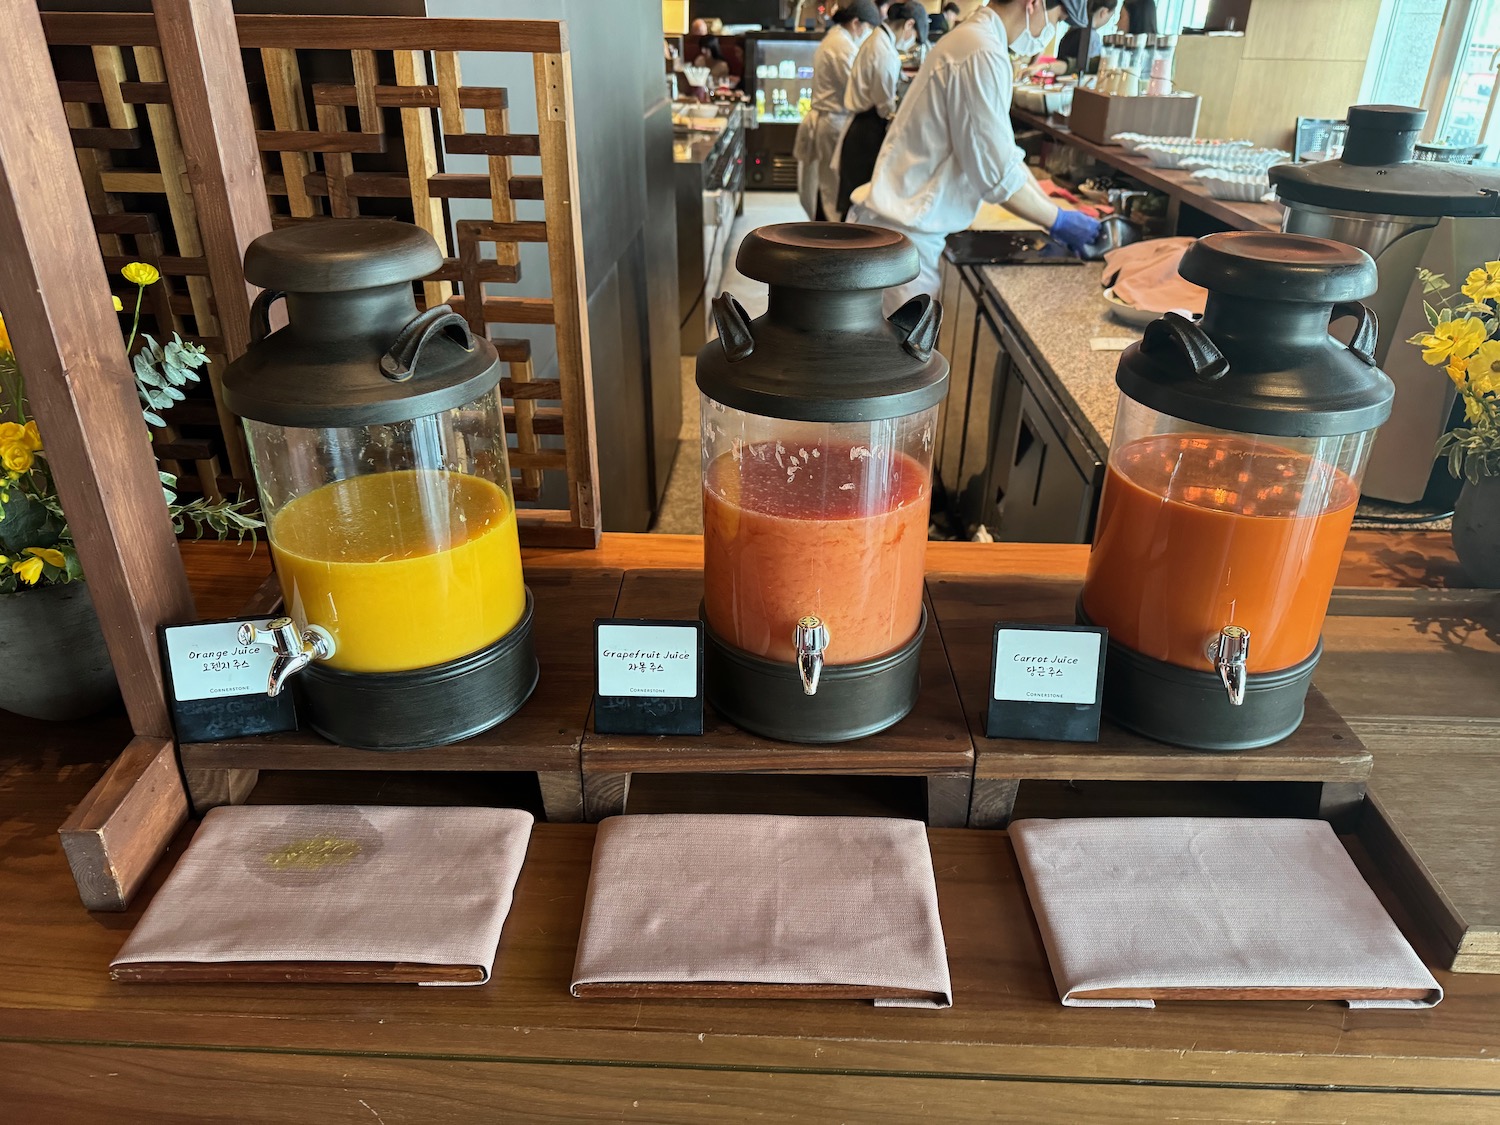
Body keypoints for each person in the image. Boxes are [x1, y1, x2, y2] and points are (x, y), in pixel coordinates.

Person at [846, 0, 1102, 312]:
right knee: (896, 357)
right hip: (906, 236)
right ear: (1032, 4)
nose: (1050, 29)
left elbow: (1004, 155)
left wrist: (1049, 210)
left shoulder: (977, 39)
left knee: (900, 353)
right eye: (1057, 18)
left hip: (906, 230)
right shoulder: (980, 50)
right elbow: (997, 176)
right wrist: (1058, 220)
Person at [836, 2, 927, 218]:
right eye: (915, 36)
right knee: (859, 202)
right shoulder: (883, 51)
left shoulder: (879, 39)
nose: (912, 41)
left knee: (853, 201)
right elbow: (884, 106)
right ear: (909, 25)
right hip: (867, 133)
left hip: (862, 127)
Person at [793, 0, 881, 222]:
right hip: (832, 120)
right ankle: (831, 237)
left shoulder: (838, 39)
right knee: (831, 186)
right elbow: (857, 86)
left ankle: (827, 232)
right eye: (868, 29)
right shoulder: (840, 45)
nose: (868, 35)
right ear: (856, 23)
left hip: (832, 119)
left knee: (827, 183)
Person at [1023, 0, 1118, 78]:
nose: (1116, 23)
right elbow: (1076, 67)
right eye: (1059, 19)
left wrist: (1042, 66)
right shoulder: (1091, 37)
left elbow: (1072, 65)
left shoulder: (1073, 30)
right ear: (1104, 12)